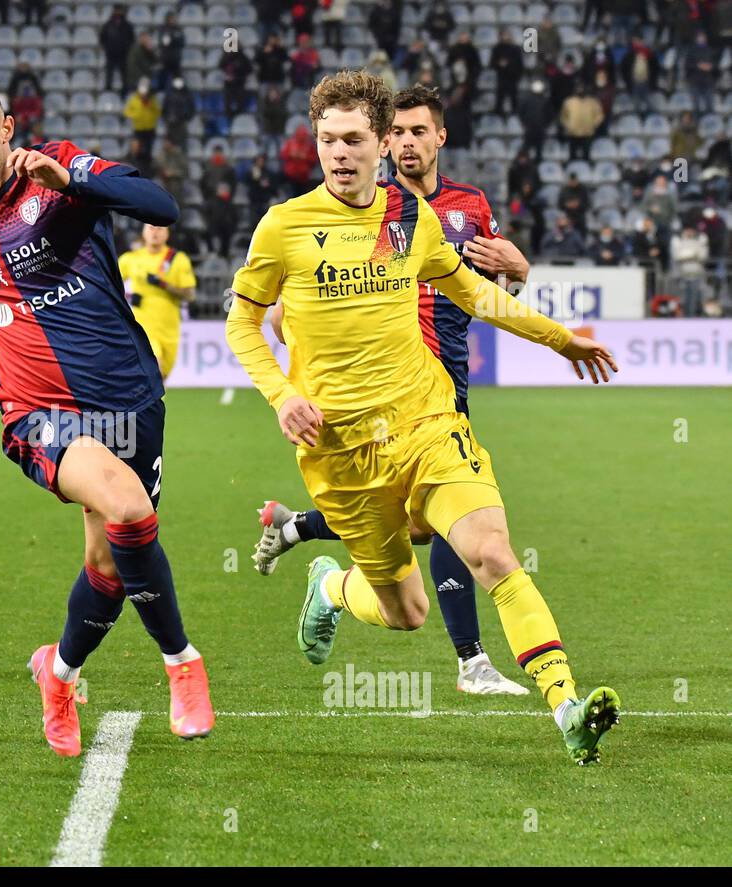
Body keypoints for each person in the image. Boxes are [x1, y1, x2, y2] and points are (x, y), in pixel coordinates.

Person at [226, 70, 621, 764]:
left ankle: (566, 708)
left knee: (493, 554)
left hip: (428, 422)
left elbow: (471, 291)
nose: (339, 154)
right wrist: (284, 395)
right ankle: (331, 584)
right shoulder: (284, 225)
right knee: (408, 611)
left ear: (381, 143)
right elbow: (242, 322)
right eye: (326, 141)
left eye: (353, 140)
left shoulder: (411, 217)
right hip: (342, 453)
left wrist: (562, 338)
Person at [0, 73, 214, 757]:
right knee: (131, 511)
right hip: (37, 414)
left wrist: (75, 180)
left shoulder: (61, 169)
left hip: (130, 399)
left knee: (109, 567)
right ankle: (182, 665)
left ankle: (58, 672)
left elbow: (160, 206)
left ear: (7, 129)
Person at [257, 83, 534, 695]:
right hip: (373, 399)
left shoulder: (467, 206)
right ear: (386, 141)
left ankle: (302, 531)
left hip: (442, 381)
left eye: (418, 132)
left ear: (439, 137)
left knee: (428, 521)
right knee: (432, 521)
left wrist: (519, 274)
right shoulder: (355, 207)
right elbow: (278, 310)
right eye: (398, 133)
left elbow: (481, 291)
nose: (407, 143)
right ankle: (471, 660)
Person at [119, 223, 196, 378]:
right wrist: (125, 298)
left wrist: (164, 285)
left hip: (169, 328)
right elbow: (109, 283)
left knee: (161, 378)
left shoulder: (178, 259)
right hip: (143, 326)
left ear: (167, 234)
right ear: (143, 232)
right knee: (154, 370)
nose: (155, 232)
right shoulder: (131, 258)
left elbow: (190, 295)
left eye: (160, 228)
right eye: (151, 228)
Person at [100, 5, 135, 93]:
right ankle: (108, 88)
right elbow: (102, 38)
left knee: (124, 73)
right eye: (117, 10)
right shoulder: (108, 25)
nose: (118, 12)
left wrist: (127, 48)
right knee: (109, 72)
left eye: (120, 11)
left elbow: (132, 39)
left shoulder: (127, 25)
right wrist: (107, 47)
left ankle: (125, 89)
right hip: (111, 53)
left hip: (123, 53)